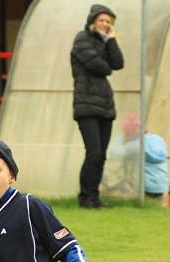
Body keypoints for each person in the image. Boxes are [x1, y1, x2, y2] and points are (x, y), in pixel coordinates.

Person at [70, 4, 124, 208]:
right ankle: (85, 197)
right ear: (92, 21)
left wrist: (111, 40)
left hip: (105, 105)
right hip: (86, 105)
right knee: (93, 152)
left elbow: (118, 63)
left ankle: (95, 197)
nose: (105, 24)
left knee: (101, 155)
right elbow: (98, 66)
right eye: (102, 20)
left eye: (109, 22)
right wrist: (106, 63)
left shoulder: (105, 42)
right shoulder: (82, 38)